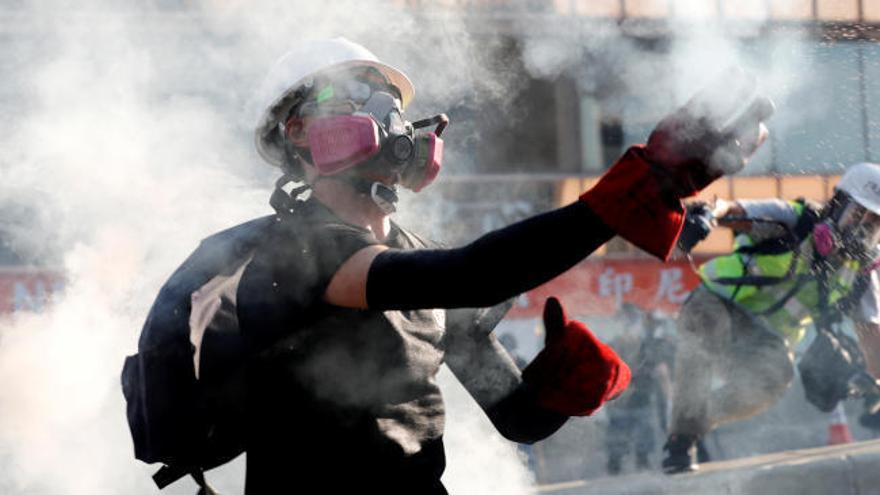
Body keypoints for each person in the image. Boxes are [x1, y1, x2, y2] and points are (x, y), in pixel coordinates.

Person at [239, 38, 772, 493]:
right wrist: (641, 189)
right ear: (299, 131)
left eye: (389, 100)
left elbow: (516, 416)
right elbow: (476, 274)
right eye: (358, 95)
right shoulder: (296, 250)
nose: (387, 114)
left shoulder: (413, 252)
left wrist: (561, 389)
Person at [663, 163, 880, 473]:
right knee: (705, 333)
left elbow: (874, 342)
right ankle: (680, 443)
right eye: (859, 214)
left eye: (874, 223)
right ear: (838, 204)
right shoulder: (797, 221)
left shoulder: (862, 274)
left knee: (773, 380)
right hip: (718, 304)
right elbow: (731, 208)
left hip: (766, 339)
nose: (863, 228)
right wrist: (704, 216)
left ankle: (696, 418)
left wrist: (873, 385)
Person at [604, 304, 674, 474]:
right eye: (624, 321)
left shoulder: (647, 347)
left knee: (643, 445)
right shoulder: (611, 347)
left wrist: (670, 401)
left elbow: (661, 371)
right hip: (619, 404)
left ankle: (639, 469)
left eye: (631, 320)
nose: (627, 326)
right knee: (617, 448)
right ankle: (617, 470)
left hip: (642, 400)